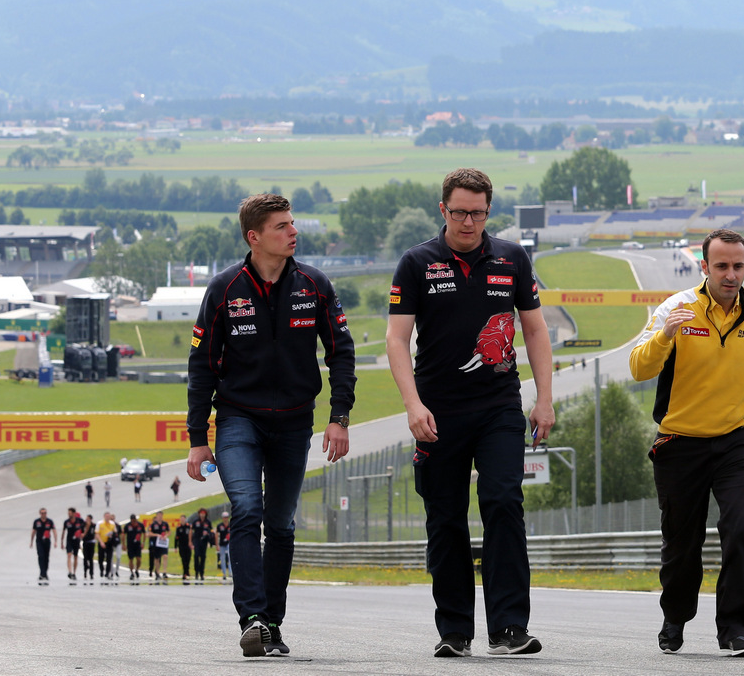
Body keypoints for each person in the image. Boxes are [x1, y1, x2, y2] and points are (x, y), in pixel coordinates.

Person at [387, 168, 554, 659]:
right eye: (459, 212)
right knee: (446, 519)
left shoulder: (512, 257)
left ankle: (508, 628)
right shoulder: (416, 262)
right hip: (437, 410)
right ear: (443, 210)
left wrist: (543, 399)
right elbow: (397, 340)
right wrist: (413, 405)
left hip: (499, 404)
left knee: (503, 501)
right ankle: (455, 630)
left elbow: (536, 331)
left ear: (488, 212)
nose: (467, 222)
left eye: (477, 213)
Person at [187, 192, 356, 658]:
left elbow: (341, 354)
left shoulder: (316, 285)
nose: (293, 232)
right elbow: (201, 365)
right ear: (254, 237)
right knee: (247, 509)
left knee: (280, 524)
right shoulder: (223, 290)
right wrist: (198, 439)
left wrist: (338, 417)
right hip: (239, 418)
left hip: (295, 423)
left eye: (293, 223)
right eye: (282, 226)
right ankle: (252, 618)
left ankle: (272, 623)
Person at [630, 228, 744, 658]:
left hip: (738, 440)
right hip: (680, 442)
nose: (731, 274)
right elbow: (638, 369)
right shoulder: (676, 308)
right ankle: (675, 616)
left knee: (743, 526)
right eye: (721, 266)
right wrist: (665, 335)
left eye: (739, 266)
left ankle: (736, 629)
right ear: (704, 267)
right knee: (682, 544)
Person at [30, 507, 57, 582]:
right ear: (40, 514)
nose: (43, 514)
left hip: (47, 542)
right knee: (41, 556)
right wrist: (31, 541)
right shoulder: (37, 522)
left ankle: (45, 572)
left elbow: (54, 531)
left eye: (45, 513)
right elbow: (33, 531)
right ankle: (42, 573)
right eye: (42, 513)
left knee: (46, 557)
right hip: (39, 541)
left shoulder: (49, 521)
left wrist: (55, 541)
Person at [191, 508, 214, 581]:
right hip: (196, 540)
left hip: (204, 541)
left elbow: (211, 531)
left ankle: (202, 573)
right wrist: (190, 541)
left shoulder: (208, 522)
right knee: (196, 555)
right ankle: (196, 572)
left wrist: (208, 534)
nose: (202, 515)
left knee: (203, 556)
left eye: (203, 513)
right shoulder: (196, 521)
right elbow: (191, 531)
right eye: (201, 513)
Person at [63, 507, 85, 581]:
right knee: (69, 555)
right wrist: (61, 541)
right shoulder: (67, 522)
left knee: (75, 556)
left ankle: (74, 573)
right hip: (69, 540)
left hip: (77, 540)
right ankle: (70, 571)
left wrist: (83, 534)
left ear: (74, 513)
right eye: (68, 513)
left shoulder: (80, 521)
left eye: (70, 513)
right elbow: (63, 531)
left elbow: (86, 526)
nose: (69, 514)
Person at [148, 511, 170, 581]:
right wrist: (157, 535)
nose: (160, 516)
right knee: (157, 558)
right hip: (156, 543)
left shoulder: (165, 524)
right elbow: (149, 533)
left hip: (163, 542)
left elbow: (169, 531)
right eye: (159, 515)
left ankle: (164, 571)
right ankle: (157, 572)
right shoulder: (153, 525)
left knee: (165, 556)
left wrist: (166, 536)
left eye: (161, 515)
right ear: (157, 516)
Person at [96, 512, 118, 580]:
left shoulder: (112, 524)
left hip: (109, 543)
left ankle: (107, 573)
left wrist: (112, 536)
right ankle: (101, 570)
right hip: (102, 542)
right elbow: (97, 534)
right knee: (101, 558)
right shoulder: (100, 523)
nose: (107, 518)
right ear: (104, 517)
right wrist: (101, 542)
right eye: (106, 516)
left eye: (109, 516)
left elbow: (115, 532)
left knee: (109, 558)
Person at [125, 513, 146, 580]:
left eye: (134, 520)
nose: (133, 521)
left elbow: (144, 533)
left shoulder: (140, 525)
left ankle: (137, 569)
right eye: (132, 520)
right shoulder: (127, 526)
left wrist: (143, 542)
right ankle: (131, 572)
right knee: (131, 559)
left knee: (138, 558)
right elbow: (123, 534)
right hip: (130, 544)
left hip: (137, 544)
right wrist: (123, 544)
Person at [175, 515, 192, 581]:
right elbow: (176, 537)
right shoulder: (179, 528)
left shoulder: (188, 526)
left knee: (188, 558)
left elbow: (191, 535)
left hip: (188, 545)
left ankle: (187, 569)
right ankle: (184, 572)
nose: (182, 520)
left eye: (183, 519)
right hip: (181, 545)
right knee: (183, 558)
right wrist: (175, 547)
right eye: (181, 519)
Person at [216, 511, 232, 581]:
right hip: (222, 543)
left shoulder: (231, 525)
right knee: (222, 558)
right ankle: (224, 573)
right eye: (224, 517)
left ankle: (230, 572)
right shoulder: (220, 526)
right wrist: (217, 544)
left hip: (229, 543)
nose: (225, 519)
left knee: (230, 557)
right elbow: (216, 535)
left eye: (226, 517)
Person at [81, 514, 97, 582]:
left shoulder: (94, 525)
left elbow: (96, 533)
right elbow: (82, 534)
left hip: (91, 542)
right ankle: (85, 571)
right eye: (86, 519)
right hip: (85, 542)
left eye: (88, 519)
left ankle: (91, 573)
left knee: (91, 558)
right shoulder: (83, 525)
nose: (87, 520)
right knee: (85, 557)